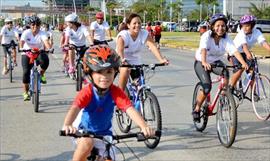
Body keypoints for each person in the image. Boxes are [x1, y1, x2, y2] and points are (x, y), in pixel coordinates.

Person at [62, 45, 155, 161]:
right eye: (99, 72)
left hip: (105, 134)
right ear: (89, 72)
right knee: (87, 142)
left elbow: (129, 109)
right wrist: (67, 124)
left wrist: (144, 126)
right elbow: (75, 108)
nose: (104, 77)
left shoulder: (115, 92)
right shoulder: (88, 91)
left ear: (115, 72)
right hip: (84, 131)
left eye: (109, 71)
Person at [192, 13, 248, 122]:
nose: (220, 28)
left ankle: (224, 97)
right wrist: (204, 61)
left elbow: (234, 51)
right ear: (212, 27)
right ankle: (197, 109)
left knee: (226, 72)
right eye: (217, 26)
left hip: (215, 62)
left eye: (223, 26)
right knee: (207, 87)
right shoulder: (206, 36)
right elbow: (203, 49)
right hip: (201, 61)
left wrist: (243, 63)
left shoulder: (226, 38)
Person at [116, 13, 169, 90]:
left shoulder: (144, 33)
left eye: (139, 23)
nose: (137, 25)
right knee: (126, 70)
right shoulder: (123, 35)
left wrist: (161, 59)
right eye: (134, 23)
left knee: (139, 85)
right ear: (128, 25)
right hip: (121, 58)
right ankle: (120, 94)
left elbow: (152, 46)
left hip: (135, 60)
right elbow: (120, 50)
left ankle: (140, 97)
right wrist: (122, 60)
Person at [229, 15, 270, 89]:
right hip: (235, 53)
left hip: (245, 52)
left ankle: (253, 93)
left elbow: (264, 43)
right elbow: (244, 46)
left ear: (252, 25)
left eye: (247, 26)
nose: (244, 28)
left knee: (252, 72)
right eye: (243, 25)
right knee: (239, 70)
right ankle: (230, 87)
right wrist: (248, 54)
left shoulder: (256, 32)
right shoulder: (241, 33)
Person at [19, 15, 52, 101]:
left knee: (45, 61)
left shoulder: (42, 33)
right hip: (27, 53)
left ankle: (41, 74)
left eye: (37, 25)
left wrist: (49, 48)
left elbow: (46, 42)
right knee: (26, 72)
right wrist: (21, 48)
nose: (35, 27)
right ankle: (25, 93)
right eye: (33, 25)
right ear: (30, 25)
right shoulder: (26, 32)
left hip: (39, 52)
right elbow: (21, 42)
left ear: (39, 26)